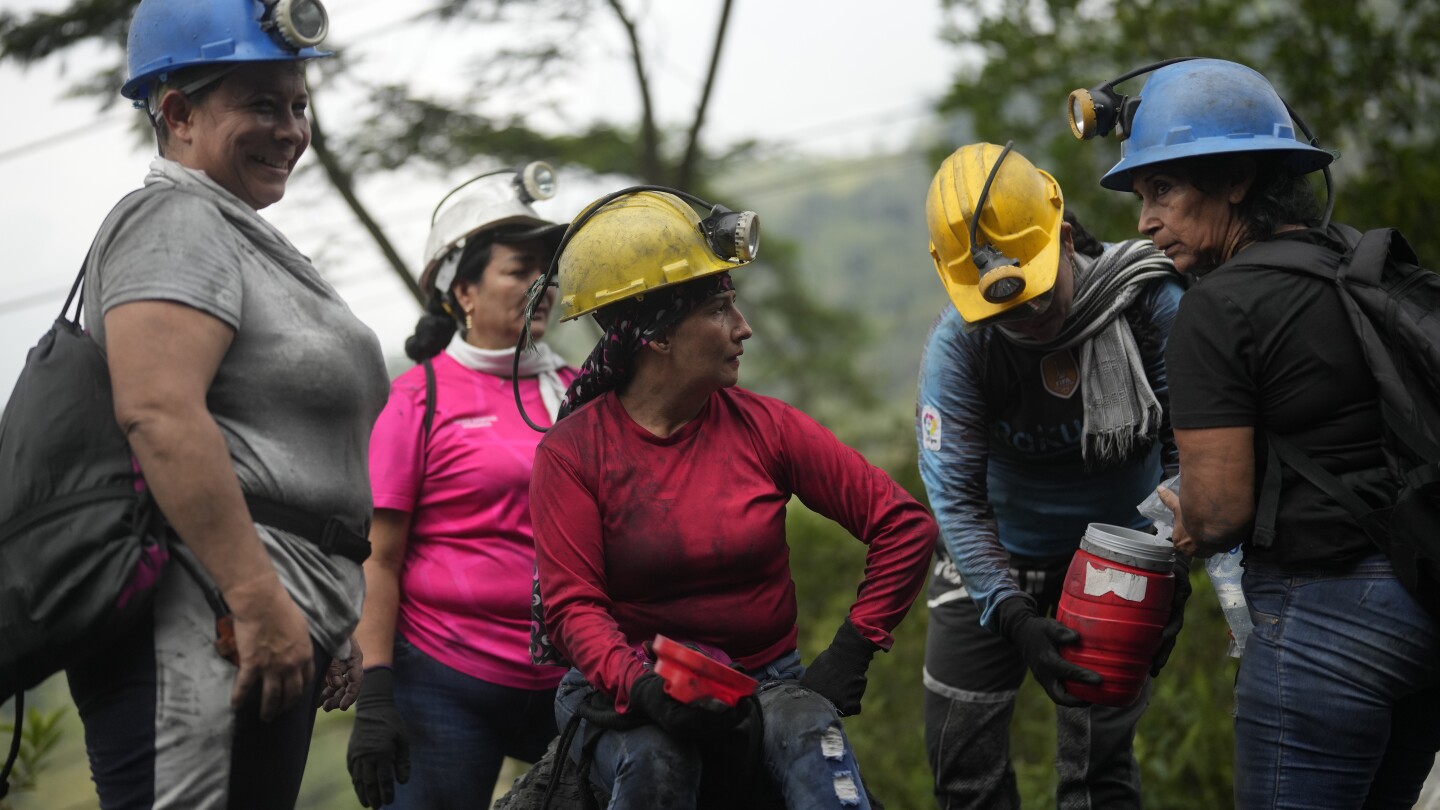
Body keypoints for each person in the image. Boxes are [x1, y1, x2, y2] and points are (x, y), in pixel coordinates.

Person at [63, 0, 390, 807]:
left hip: (265, 615)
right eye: (260, 104)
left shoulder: (239, 232)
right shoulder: (173, 219)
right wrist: (255, 597)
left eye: (298, 105)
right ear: (177, 112)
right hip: (203, 617)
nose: (290, 130)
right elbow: (160, 413)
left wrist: (329, 613)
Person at [1094, 57, 1440, 808]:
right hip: (1422, 605)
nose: (1145, 220)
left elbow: (1220, 511)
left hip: (1327, 628)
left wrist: (1181, 518)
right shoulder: (1352, 263)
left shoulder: (1218, 308)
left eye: (1162, 190)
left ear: (1236, 180)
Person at [526, 189, 938, 808]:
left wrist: (854, 647)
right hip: (626, 686)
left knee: (813, 745)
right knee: (658, 761)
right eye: (720, 309)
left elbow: (903, 525)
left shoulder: (766, 427)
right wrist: (640, 688)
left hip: (764, 682)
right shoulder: (572, 453)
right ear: (658, 335)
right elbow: (573, 606)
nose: (742, 328)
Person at [917, 142, 1188, 809]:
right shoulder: (960, 348)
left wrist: (1173, 564)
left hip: (1122, 554)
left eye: (1035, 297)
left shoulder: (1150, 305)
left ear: (1064, 238)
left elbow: (1197, 451)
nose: (1027, 320)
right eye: (1003, 310)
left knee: (1097, 773)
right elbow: (954, 495)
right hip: (995, 554)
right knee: (962, 766)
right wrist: (1009, 613)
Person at [346, 166, 576, 809]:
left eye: (548, 271)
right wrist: (376, 693)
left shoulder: (584, 389)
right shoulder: (418, 399)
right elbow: (379, 557)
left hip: (576, 675)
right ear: (464, 291)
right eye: (520, 269)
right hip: (446, 681)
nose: (542, 285)